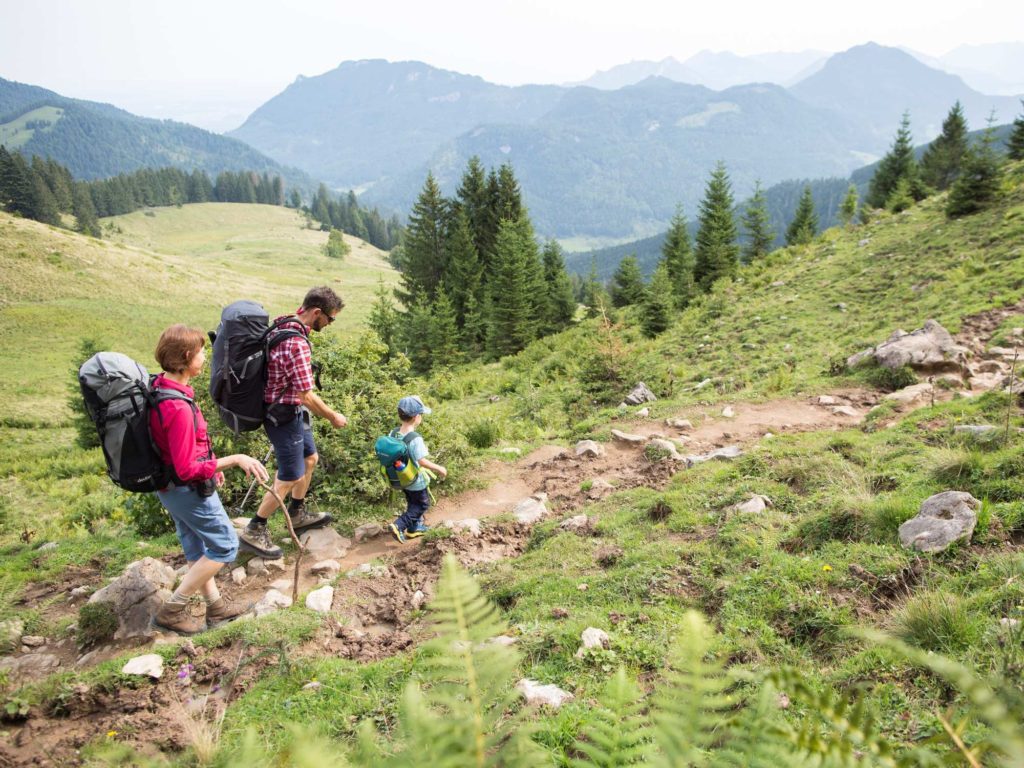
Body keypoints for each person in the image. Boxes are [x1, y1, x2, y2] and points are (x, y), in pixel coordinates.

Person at [149, 325, 270, 635]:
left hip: (172, 489)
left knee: (197, 548)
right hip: (187, 490)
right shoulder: (176, 406)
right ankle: (173, 610)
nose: (205, 356)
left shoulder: (164, 389)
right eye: (201, 351)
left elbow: (186, 453)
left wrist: (211, 465)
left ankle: (215, 608)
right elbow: (187, 468)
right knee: (224, 546)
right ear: (187, 356)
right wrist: (234, 459)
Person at [239, 286, 348, 558]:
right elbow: (306, 396)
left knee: (310, 459)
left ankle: (298, 513)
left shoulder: (287, 321)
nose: (331, 324)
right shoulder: (296, 343)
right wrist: (333, 416)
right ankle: (255, 528)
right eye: (330, 319)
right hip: (282, 415)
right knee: (290, 474)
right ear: (316, 312)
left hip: (290, 411)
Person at [388, 396, 447, 544]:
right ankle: (398, 525)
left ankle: (414, 529)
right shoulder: (415, 438)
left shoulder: (393, 433)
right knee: (422, 505)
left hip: (402, 478)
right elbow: (422, 461)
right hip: (416, 480)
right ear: (416, 417)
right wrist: (439, 468)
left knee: (412, 502)